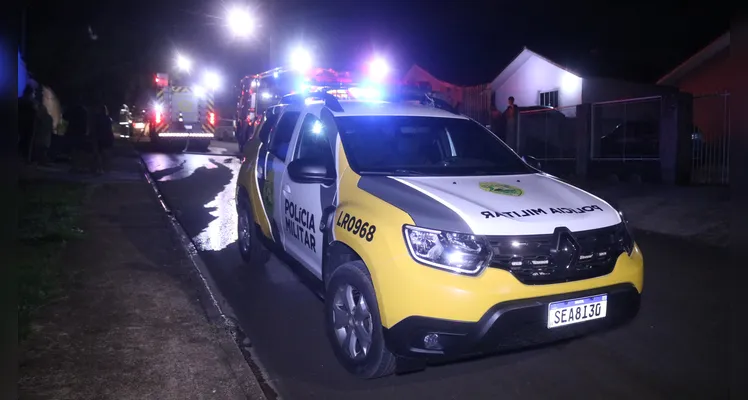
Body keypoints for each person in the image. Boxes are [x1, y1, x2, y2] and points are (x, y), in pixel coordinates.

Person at [64, 103, 90, 172]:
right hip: (81, 132)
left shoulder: (73, 109)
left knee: (74, 150)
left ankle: (75, 166)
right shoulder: (84, 111)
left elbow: (65, 117)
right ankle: (80, 166)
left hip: (73, 131)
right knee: (80, 150)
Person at [93, 105, 114, 173]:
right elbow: (110, 129)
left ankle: (99, 168)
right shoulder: (108, 119)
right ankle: (104, 168)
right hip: (106, 137)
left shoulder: (97, 118)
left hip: (99, 137)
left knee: (99, 153)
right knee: (105, 153)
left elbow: (95, 128)